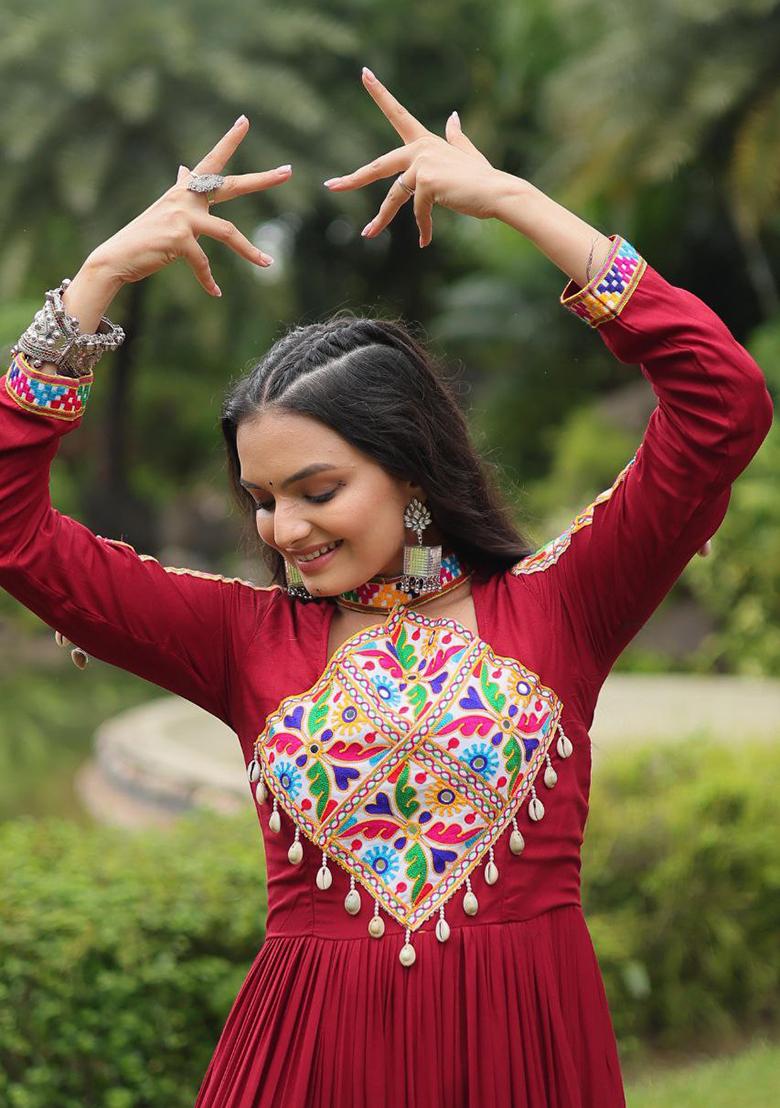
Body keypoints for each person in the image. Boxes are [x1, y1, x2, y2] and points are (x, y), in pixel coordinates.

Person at [0, 67, 773, 1108]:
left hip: (522, 1064)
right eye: (262, 499)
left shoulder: (563, 600)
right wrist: (90, 283)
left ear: (409, 467)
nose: (286, 528)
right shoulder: (239, 638)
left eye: (319, 489)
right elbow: (16, 534)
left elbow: (722, 402)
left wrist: (513, 201)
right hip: (305, 1069)